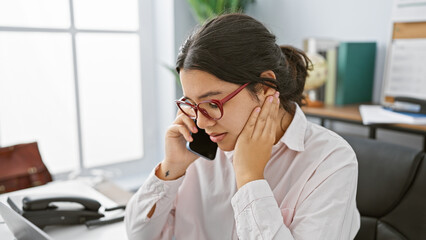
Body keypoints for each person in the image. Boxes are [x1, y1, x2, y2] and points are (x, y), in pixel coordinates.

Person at [125, 13, 360, 240]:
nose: (202, 122)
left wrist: (250, 179)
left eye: (212, 103)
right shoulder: (197, 150)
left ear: (266, 87)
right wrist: (171, 169)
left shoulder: (331, 160)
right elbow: (137, 235)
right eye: (192, 104)